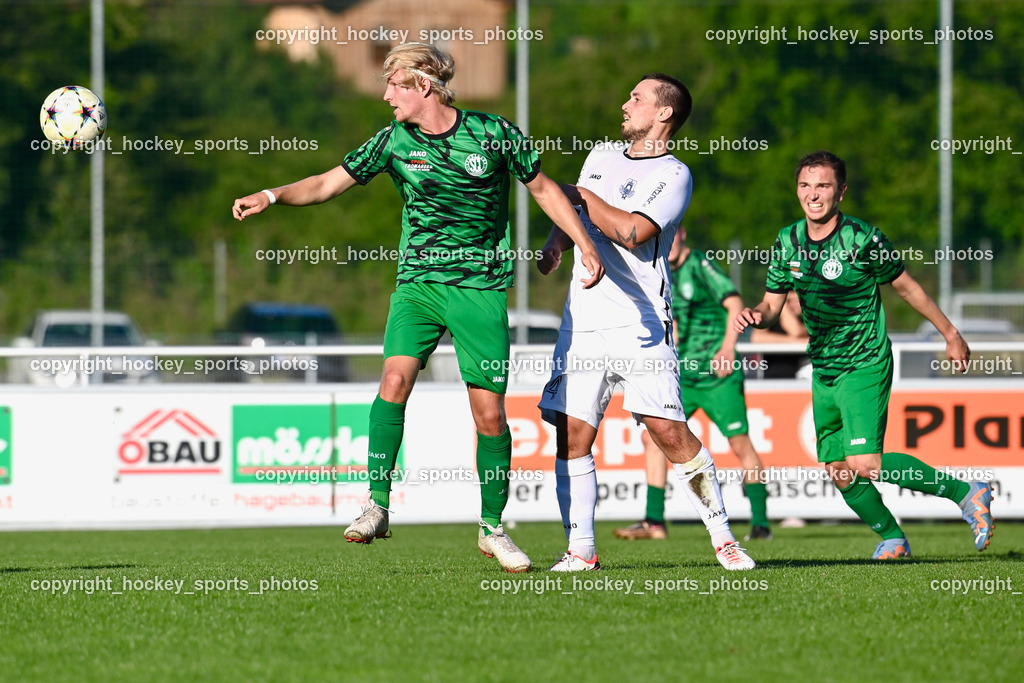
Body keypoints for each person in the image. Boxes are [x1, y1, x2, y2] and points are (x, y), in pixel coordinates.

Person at [232, 43, 605, 573]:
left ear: (423, 87)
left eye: (394, 87)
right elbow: (325, 184)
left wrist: (582, 244)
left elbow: (544, 190)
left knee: (490, 414)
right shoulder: (393, 140)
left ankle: (492, 528)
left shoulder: (494, 133)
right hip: (418, 286)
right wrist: (271, 195)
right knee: (393, 381)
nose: (386, 96)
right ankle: (377, 505)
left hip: (480, 289)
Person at [537, 73, 755, 572]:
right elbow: (573, 213)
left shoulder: (675, 175)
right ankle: (580, 551)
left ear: (664, 114)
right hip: (582, 322)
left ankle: (724, 541)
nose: (625, 102)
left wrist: (571, 194)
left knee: (670, 433)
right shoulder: (600, 155)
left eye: (637, 98)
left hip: (640, 325)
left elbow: (633, 231)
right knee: (573, 434)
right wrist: (557, 242)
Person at [734, 150, 994, 559]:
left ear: (841, 192)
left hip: (865, 361)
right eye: (805, 185)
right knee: (839, 470)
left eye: (823, 186)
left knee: (863, 461)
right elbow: (772, 305)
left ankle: (966, 492)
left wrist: (950, 333)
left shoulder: (862, 238)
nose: (813, 194)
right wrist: (756, 316)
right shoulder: (788, 241)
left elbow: (907, 287)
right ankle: (893, 538)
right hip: (825, 368)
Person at [614, 228, 772, 542]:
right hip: (681, 375)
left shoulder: (700, 265)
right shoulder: (656, 269)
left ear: (682, 233)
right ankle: (654, 522)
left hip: (717, 375)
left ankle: (761, 524)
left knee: (740, 444)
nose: (667, 244)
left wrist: (728, 348)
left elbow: (735, 302)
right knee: (653, 439)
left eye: (671, 235)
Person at [749, 290, 810, 378]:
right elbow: (756, 337)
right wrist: (792, 341)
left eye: (796, 300)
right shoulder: (772, 320)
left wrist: (783, 305)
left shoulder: (808, 318)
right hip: (773, 377)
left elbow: (796, 331)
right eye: (788, 301)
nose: (792, 305)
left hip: (801, 378)